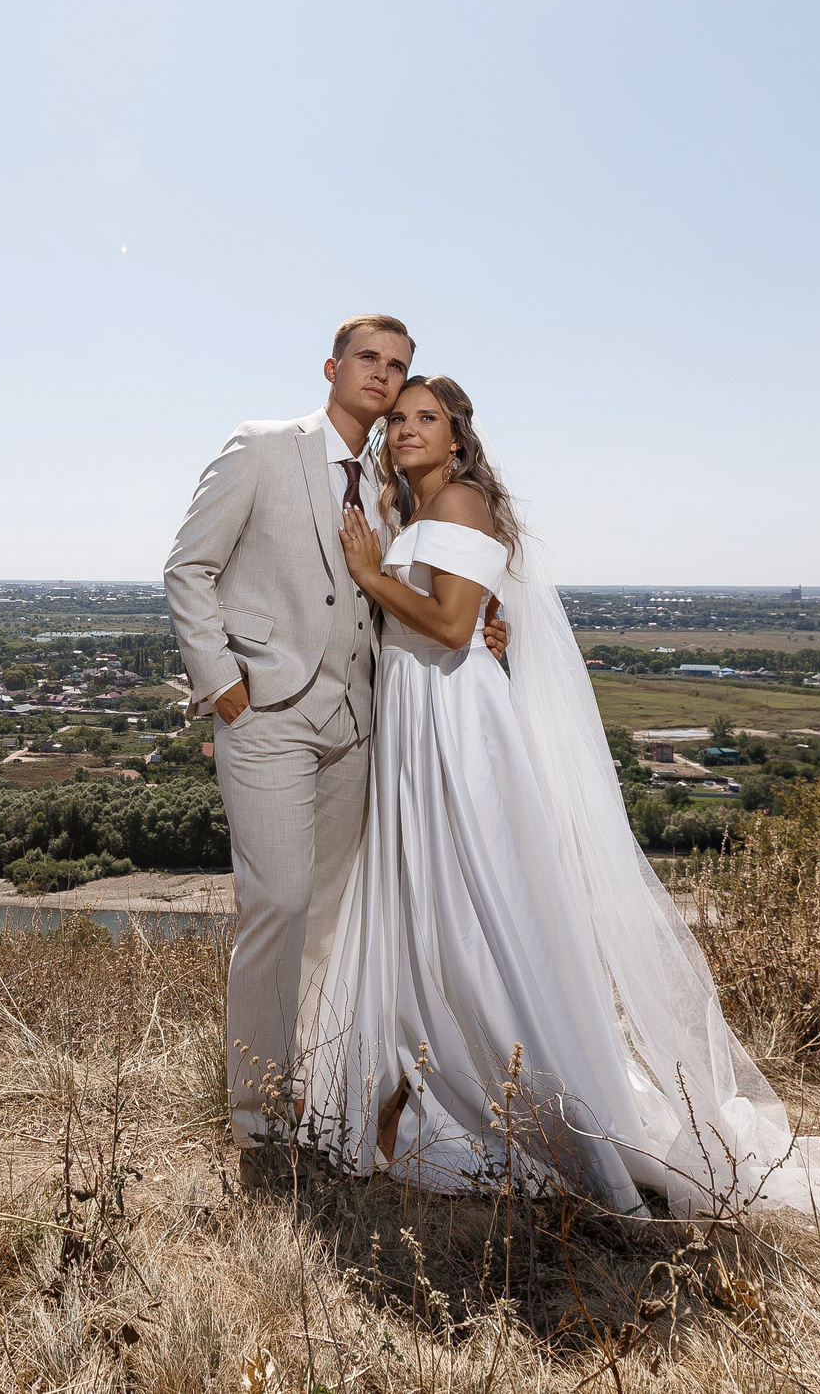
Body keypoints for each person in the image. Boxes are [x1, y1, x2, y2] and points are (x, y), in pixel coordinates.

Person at [304, 374, 820, 1219]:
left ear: (458, 437)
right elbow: (464, 618)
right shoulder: (415, 511)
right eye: (400, 419)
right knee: (432, 903)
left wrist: (365, 572)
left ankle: (500, 1085)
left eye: (428, 418)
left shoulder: (459, 501)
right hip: (418, 714)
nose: (409, 428)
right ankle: (419, 1077)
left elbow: (450, 626)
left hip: (453, 721)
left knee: (473, 902)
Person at [163, 315, 506, 1191]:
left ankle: (312, 1090)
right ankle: (255, 1110)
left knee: (332, 918)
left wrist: (482, 625)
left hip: (359, 723)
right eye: (369, 358)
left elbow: (432, 586)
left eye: (399, 365)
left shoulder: (395, 486)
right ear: (331, 366)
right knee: (276, 902)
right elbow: (187, 567)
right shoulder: (263, 447)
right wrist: (222, 681)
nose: (383, 375)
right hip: (268, 714)